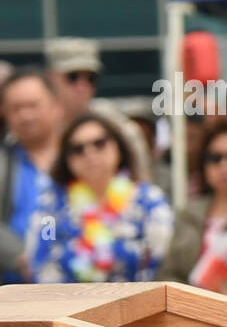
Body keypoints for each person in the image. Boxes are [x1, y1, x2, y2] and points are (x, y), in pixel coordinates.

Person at [28, 114, 173, 283]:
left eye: (99, 143)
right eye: (77, 149)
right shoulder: (51, 206)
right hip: (67, 303)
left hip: (136, 303)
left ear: (119, 146)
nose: (90, 153)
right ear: (66, 158)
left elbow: (159, 257)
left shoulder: (148, 200)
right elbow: (42, 255)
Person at [160, 120, 227, 300]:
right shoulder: (189, 213)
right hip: (189, 312)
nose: (225, 166)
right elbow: (168, 273)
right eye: (215, 158)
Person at [44, 37, 150, 179]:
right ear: (52, 77)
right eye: (73, 77)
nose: (83, 86)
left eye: (91, 78)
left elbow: (140, 178)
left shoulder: (117, 126)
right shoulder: (39, 126)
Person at [1, 68, 62, 283]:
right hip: (13, 287)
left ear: (55, 106)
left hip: (81, 280)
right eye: (16, 108)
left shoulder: (81, 155)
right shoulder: (4, 162)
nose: (25, 116)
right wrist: (23, 257)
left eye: (33, 105)